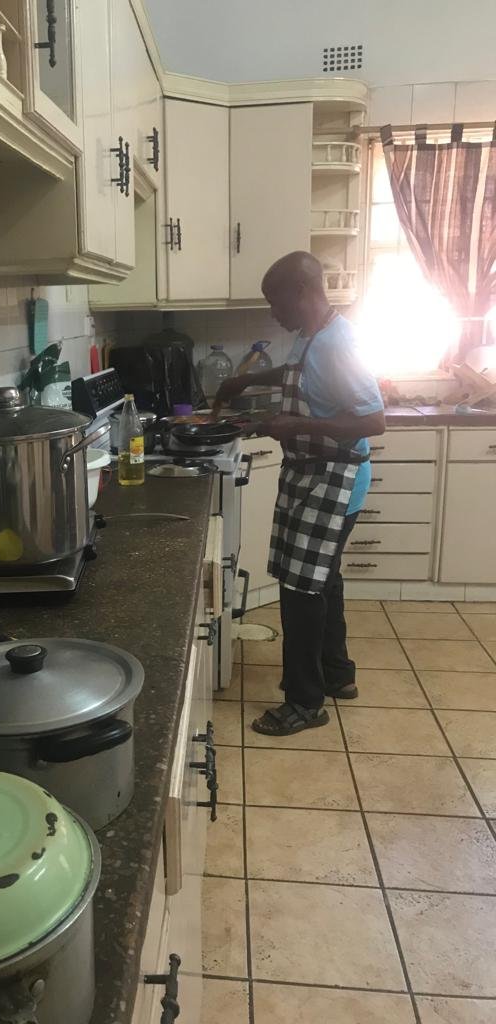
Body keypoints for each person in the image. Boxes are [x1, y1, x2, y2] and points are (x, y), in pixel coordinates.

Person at [214, 252, 385, 737]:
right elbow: (296, 374)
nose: (273, 312)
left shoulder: (338, 343)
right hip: (313, 474)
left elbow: (374, 421)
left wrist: (298, 424)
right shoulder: (313, 335)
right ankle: (337, 675)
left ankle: (305, 703)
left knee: (300, 589)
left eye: (275, 301)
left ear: (301, 292)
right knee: (323, 579)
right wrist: (248, 378)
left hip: (334, 478)